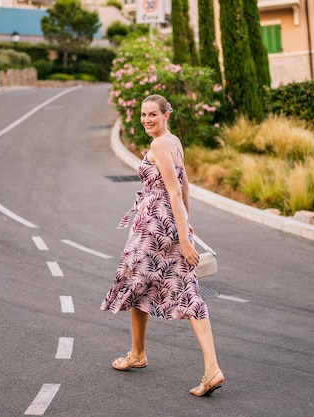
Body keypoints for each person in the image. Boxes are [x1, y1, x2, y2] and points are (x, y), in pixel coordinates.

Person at [100, 94, 224, 397]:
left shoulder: (158, 146)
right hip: (168, 224)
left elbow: (173, 189)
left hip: (153, 229)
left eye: (153, 114)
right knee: (187, 292)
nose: (146, 120)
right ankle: (210, 368)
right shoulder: (174, 142)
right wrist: (185, 224)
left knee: (135, 283)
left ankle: (138, 354)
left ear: (166, 114)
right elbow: (184, 187)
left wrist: (184, 237)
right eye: (143, 115)